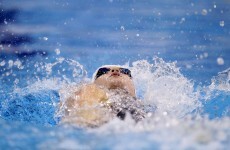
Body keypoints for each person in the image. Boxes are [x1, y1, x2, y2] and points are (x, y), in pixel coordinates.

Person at [59, 65, 146, 127]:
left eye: (125, 71)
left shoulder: (148, 106)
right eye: (104, 71)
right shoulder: (88, 91)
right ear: (95, 81)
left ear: (133, 87)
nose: (115, 71)